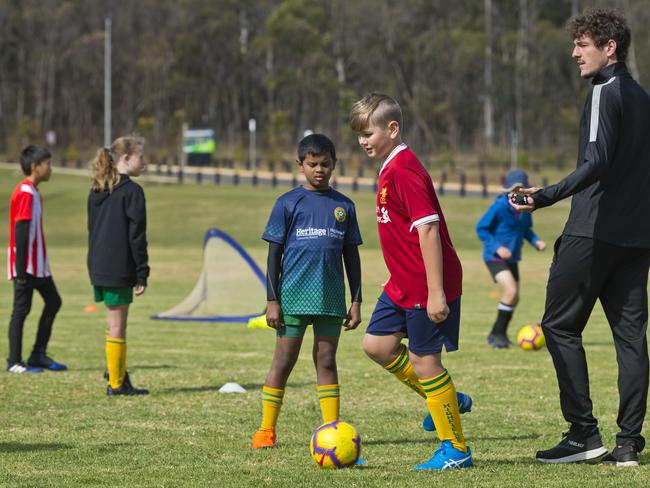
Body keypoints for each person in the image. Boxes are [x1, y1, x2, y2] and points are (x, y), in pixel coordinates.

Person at [510, 8, 650, 467]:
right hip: (636, 239)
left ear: (609, 48)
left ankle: (583, 435)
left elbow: (597, 161)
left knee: (559, 326)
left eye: (582, 44)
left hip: (591, 233)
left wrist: (544, 196)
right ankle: (629, 443)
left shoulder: (604, 91)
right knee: (631, 339)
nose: (574, 53)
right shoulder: (642, 97)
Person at [350, 93, 472, 470]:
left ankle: (456, 450)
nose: (362, 141)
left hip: (424, 285)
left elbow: (429, 230)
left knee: (424, 361)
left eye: (368, 133)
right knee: (376, 345)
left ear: (392, 128)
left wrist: (436, 294)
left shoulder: (404, 168)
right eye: (358, 134)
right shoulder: (389, 166)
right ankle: (449, 398)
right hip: (401, 282)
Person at [251, 133, 362, 449]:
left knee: (326, 360)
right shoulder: (287, 203)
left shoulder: (344, 206)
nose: (319, 170)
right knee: (283, 362)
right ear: (300, 164)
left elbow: (351, 256)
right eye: (313, 164)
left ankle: (332, 431)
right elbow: (274, 255)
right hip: (293, 298)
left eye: (326, 164)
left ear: (334, 165)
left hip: (330, 299)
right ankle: (266, 431)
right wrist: (272, 300)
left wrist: (356, 300)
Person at [88, 136, 150, 396]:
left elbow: (92, 229)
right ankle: (116, 384)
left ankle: (118, 376)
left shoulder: (97, 189)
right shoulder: (132, 191)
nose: (144, 162)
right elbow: (137, 236)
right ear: (126, 159)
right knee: (117, 324)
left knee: (113, 322)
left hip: (98, 265)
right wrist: (142, 272)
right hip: (118, 267)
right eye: (141, 157)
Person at [6, 145, 66, 373]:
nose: (51, 168)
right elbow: (20, 231)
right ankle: (14, 362)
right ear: (35, 166)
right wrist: (20, 270)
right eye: (48, 164)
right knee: (21, 310)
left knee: (54, 302)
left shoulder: (34, 191)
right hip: (26, 265)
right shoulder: (25, 192)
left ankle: (38, 354)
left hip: (39, 265)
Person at [476, 169, 546, 349]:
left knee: (514, 298)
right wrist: (497, 247)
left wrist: (535, 241)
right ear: (507, 190)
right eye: (515, 189)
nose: (518, 192)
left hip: (513, 258)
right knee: (511, 291)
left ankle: (496, 334)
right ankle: (498, 335)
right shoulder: (499, 207)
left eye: (522, 189)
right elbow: (481, 228)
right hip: (494, 257)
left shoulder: (524, 211)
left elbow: (526, 231)